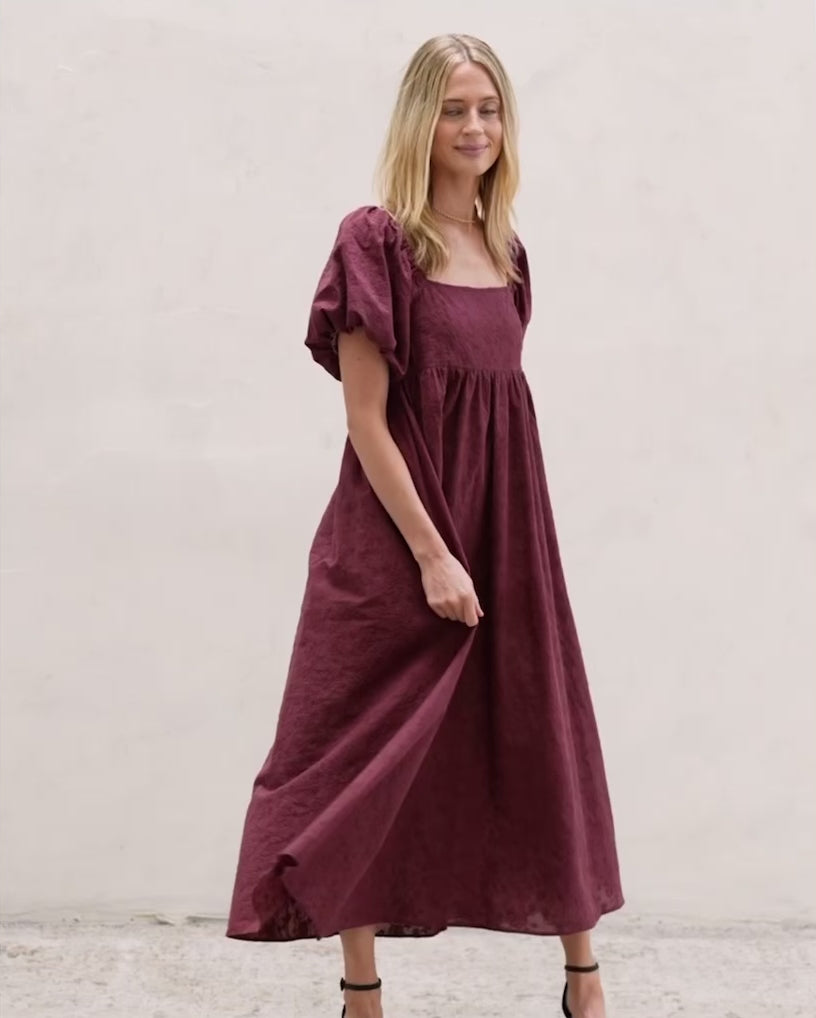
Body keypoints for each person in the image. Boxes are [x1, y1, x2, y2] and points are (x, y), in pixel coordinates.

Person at [225, 33, 624, 1018]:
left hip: (507, 534)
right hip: (399, 538)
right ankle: (361, 991)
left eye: (489, 108)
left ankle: (583, 980)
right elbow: (367, 420)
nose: (475, 126)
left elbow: (498, 411)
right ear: (419, 119)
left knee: (538, 736)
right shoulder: (376, 243)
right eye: (454, 109)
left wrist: (483, 552)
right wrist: (434, 556)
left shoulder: (509, 252)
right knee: (354, 755)